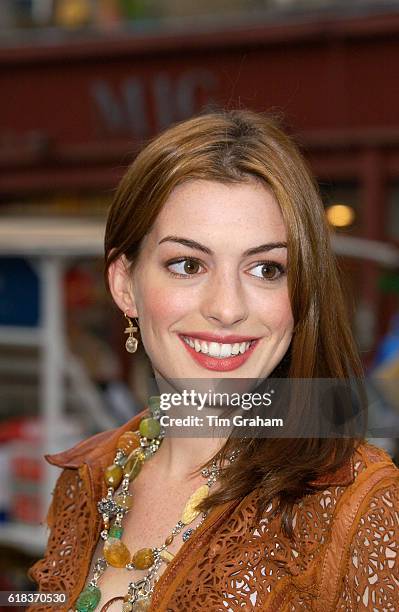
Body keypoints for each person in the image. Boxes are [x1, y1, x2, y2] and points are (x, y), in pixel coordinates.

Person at [28, 110, 399, 611]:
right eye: (187, 265)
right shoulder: (86, 479)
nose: (227, 308)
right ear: (124, 284)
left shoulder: (357, 503)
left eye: (266, 268)